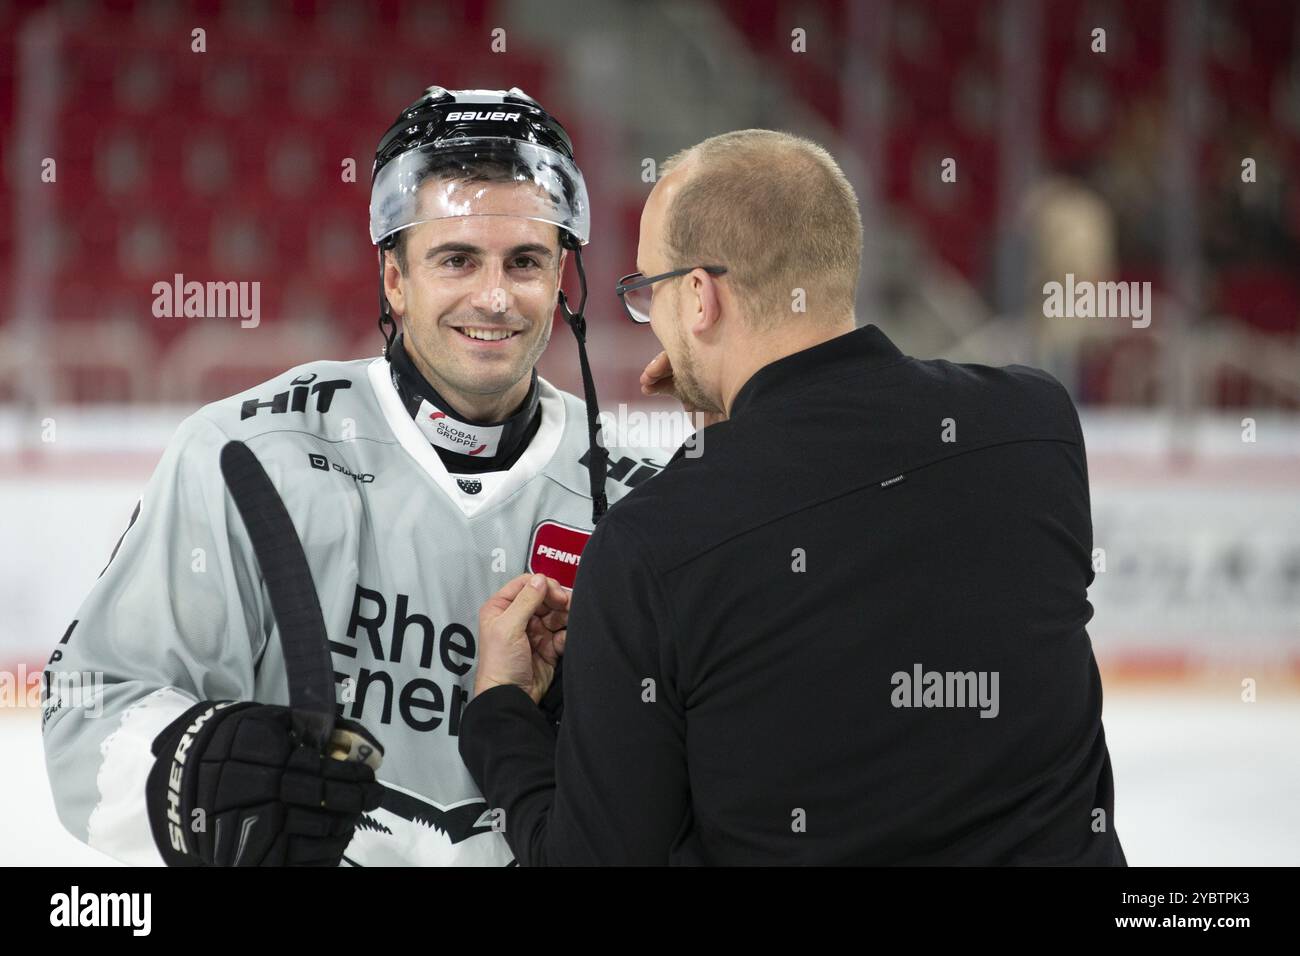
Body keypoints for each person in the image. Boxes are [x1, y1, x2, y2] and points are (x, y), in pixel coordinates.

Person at [459, 129, 1127, 866]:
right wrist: (731, 427)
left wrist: (500, 714)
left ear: (700, 297)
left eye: (651, 291)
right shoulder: (1036, 428)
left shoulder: (654, 542)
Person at [41, 86, 661, 866]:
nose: (496, 296)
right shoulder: (246, 455)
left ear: (562, 279)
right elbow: (90, 711)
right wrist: (199, 770)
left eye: (526, 262)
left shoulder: (640, 501)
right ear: (395, 280)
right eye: (458, 259)